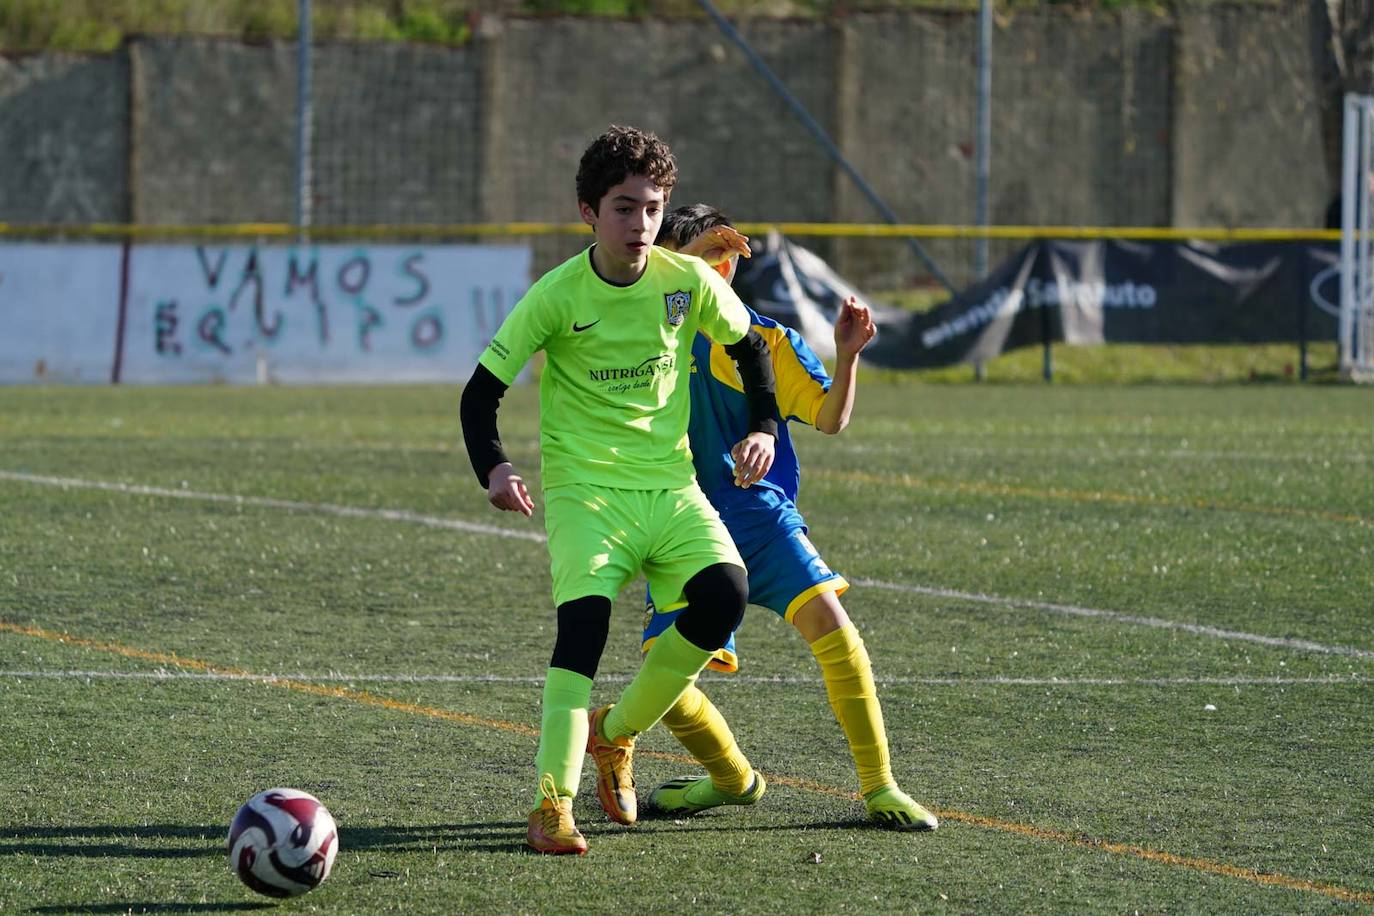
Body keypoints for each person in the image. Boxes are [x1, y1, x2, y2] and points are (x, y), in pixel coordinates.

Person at [459, 127, 782, 855]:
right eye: (623, 208)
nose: (640, 225)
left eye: (652, 209)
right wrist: (497, 469)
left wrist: (762, 424)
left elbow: (749, 345)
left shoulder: (686, 279)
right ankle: (551, 805)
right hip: (586, 496)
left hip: (668, 489)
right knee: (584, 633)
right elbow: (480, 395)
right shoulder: (556, 295)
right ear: (587, 212)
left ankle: (614, 734)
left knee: (726, 595)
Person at [640, 203, 939, 831]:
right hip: (678, 524)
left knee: (836, 630)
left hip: (759, 517)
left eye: (717, 260)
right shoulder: (647, 336)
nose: (711, 271)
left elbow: (830, 418)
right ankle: (731, 781)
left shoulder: (766, 340)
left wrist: (848, 354)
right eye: (693, 259)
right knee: (664, 686)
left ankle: (880, 787)